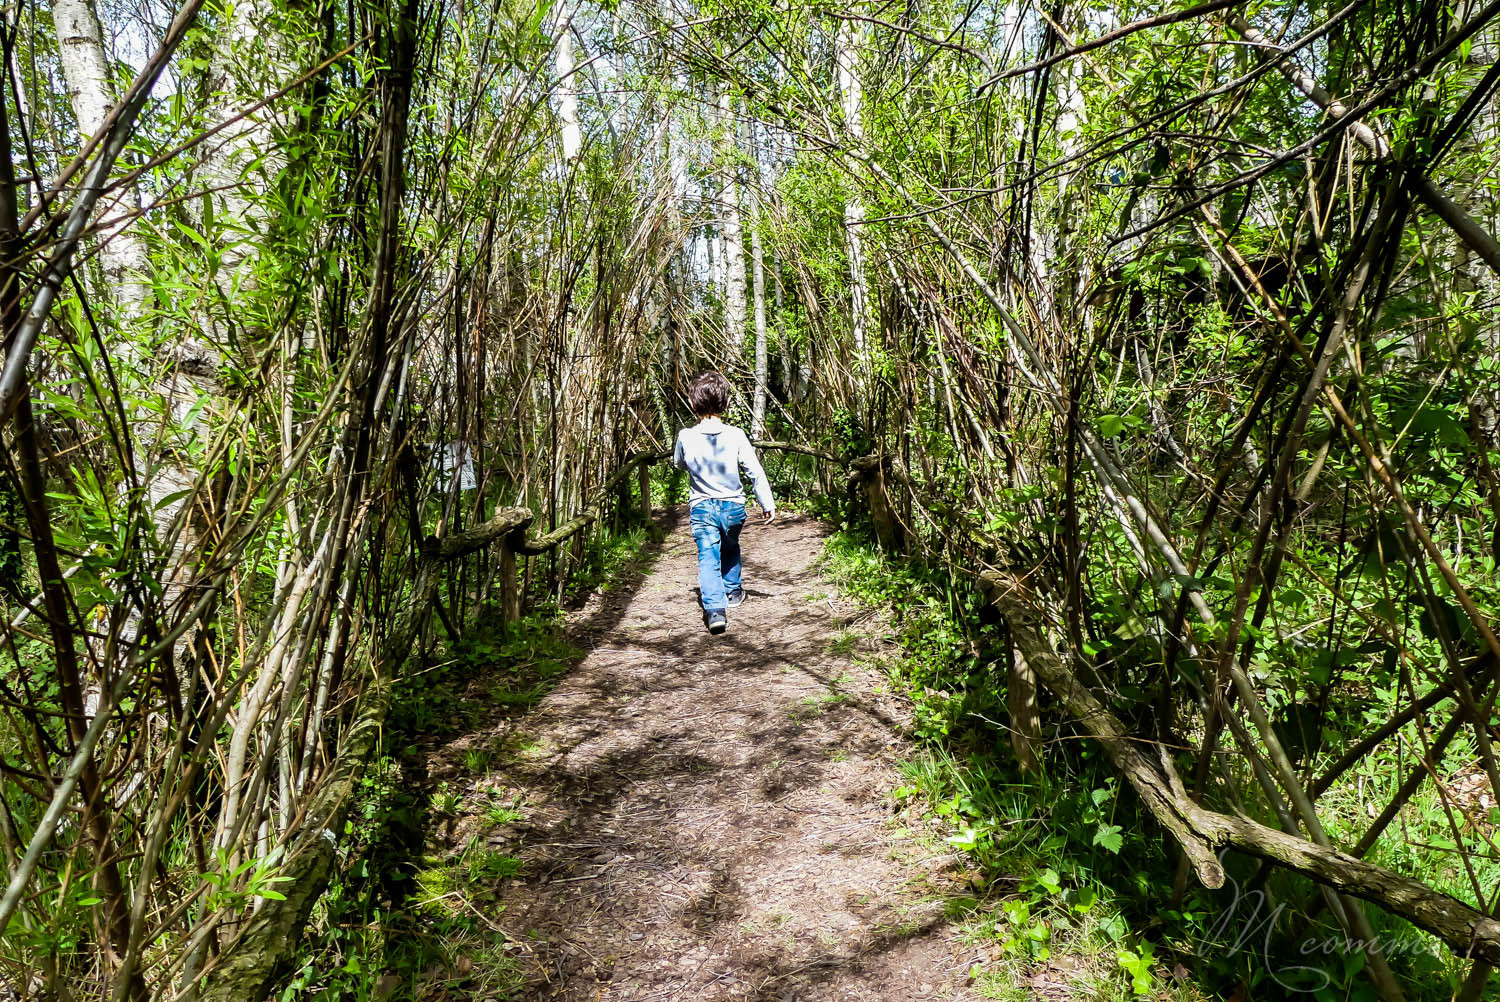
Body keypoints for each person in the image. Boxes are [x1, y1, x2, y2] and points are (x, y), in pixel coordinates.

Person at [673, 371, 776, 634]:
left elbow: (679, 462)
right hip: (734, 508)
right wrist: (767, 502)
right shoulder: (736, 435)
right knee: (730, 544)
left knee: (708, 556)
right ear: (726, 404)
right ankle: (732, 591)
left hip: (703, 507)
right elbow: (755, 471)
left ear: (693, 404)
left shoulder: (686, 436)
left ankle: (715, 610)